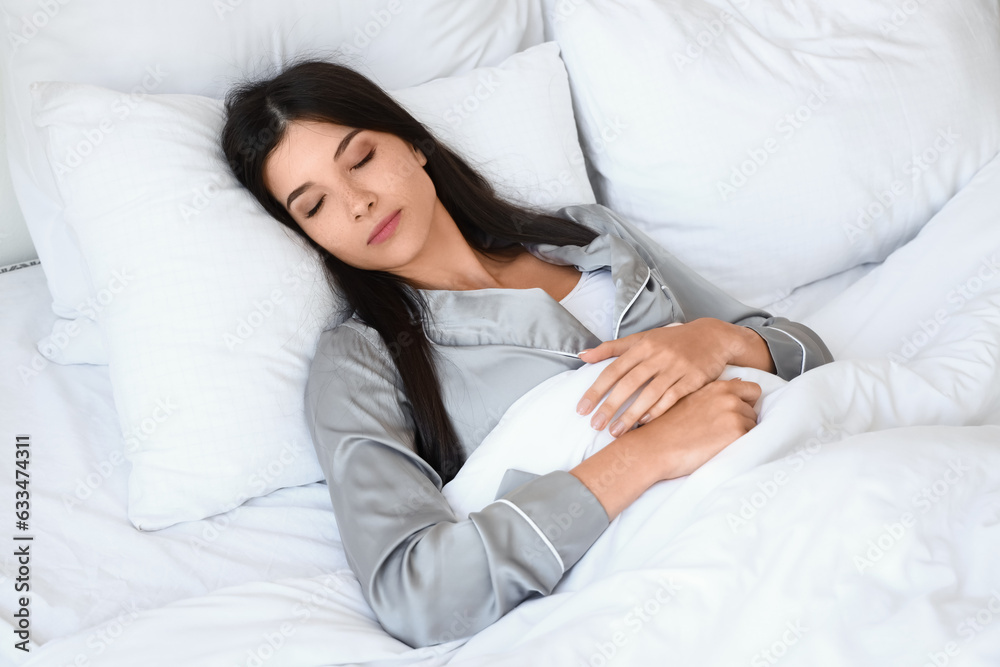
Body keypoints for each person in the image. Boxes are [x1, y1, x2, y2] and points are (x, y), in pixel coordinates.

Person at [220, 58, 834, 649]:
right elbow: (416, 591)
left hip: (806, 484)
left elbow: (810, 356)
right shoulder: (359, 362)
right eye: (315, 205)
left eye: (361, 158)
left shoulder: (588, 236)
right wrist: (650, 451)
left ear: (413, 144)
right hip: (677, 577)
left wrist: (714, 340)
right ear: (308, 236)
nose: (357, 201)